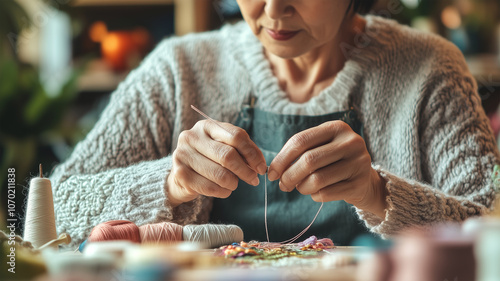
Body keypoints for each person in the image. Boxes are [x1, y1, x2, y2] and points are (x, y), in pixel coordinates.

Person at [50, 0, 500, 247]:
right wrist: (166, 182)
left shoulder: (429, 68)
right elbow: (50, 213)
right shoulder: (178, 69)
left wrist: (378, 194)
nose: (273, 8)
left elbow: (491, 227)